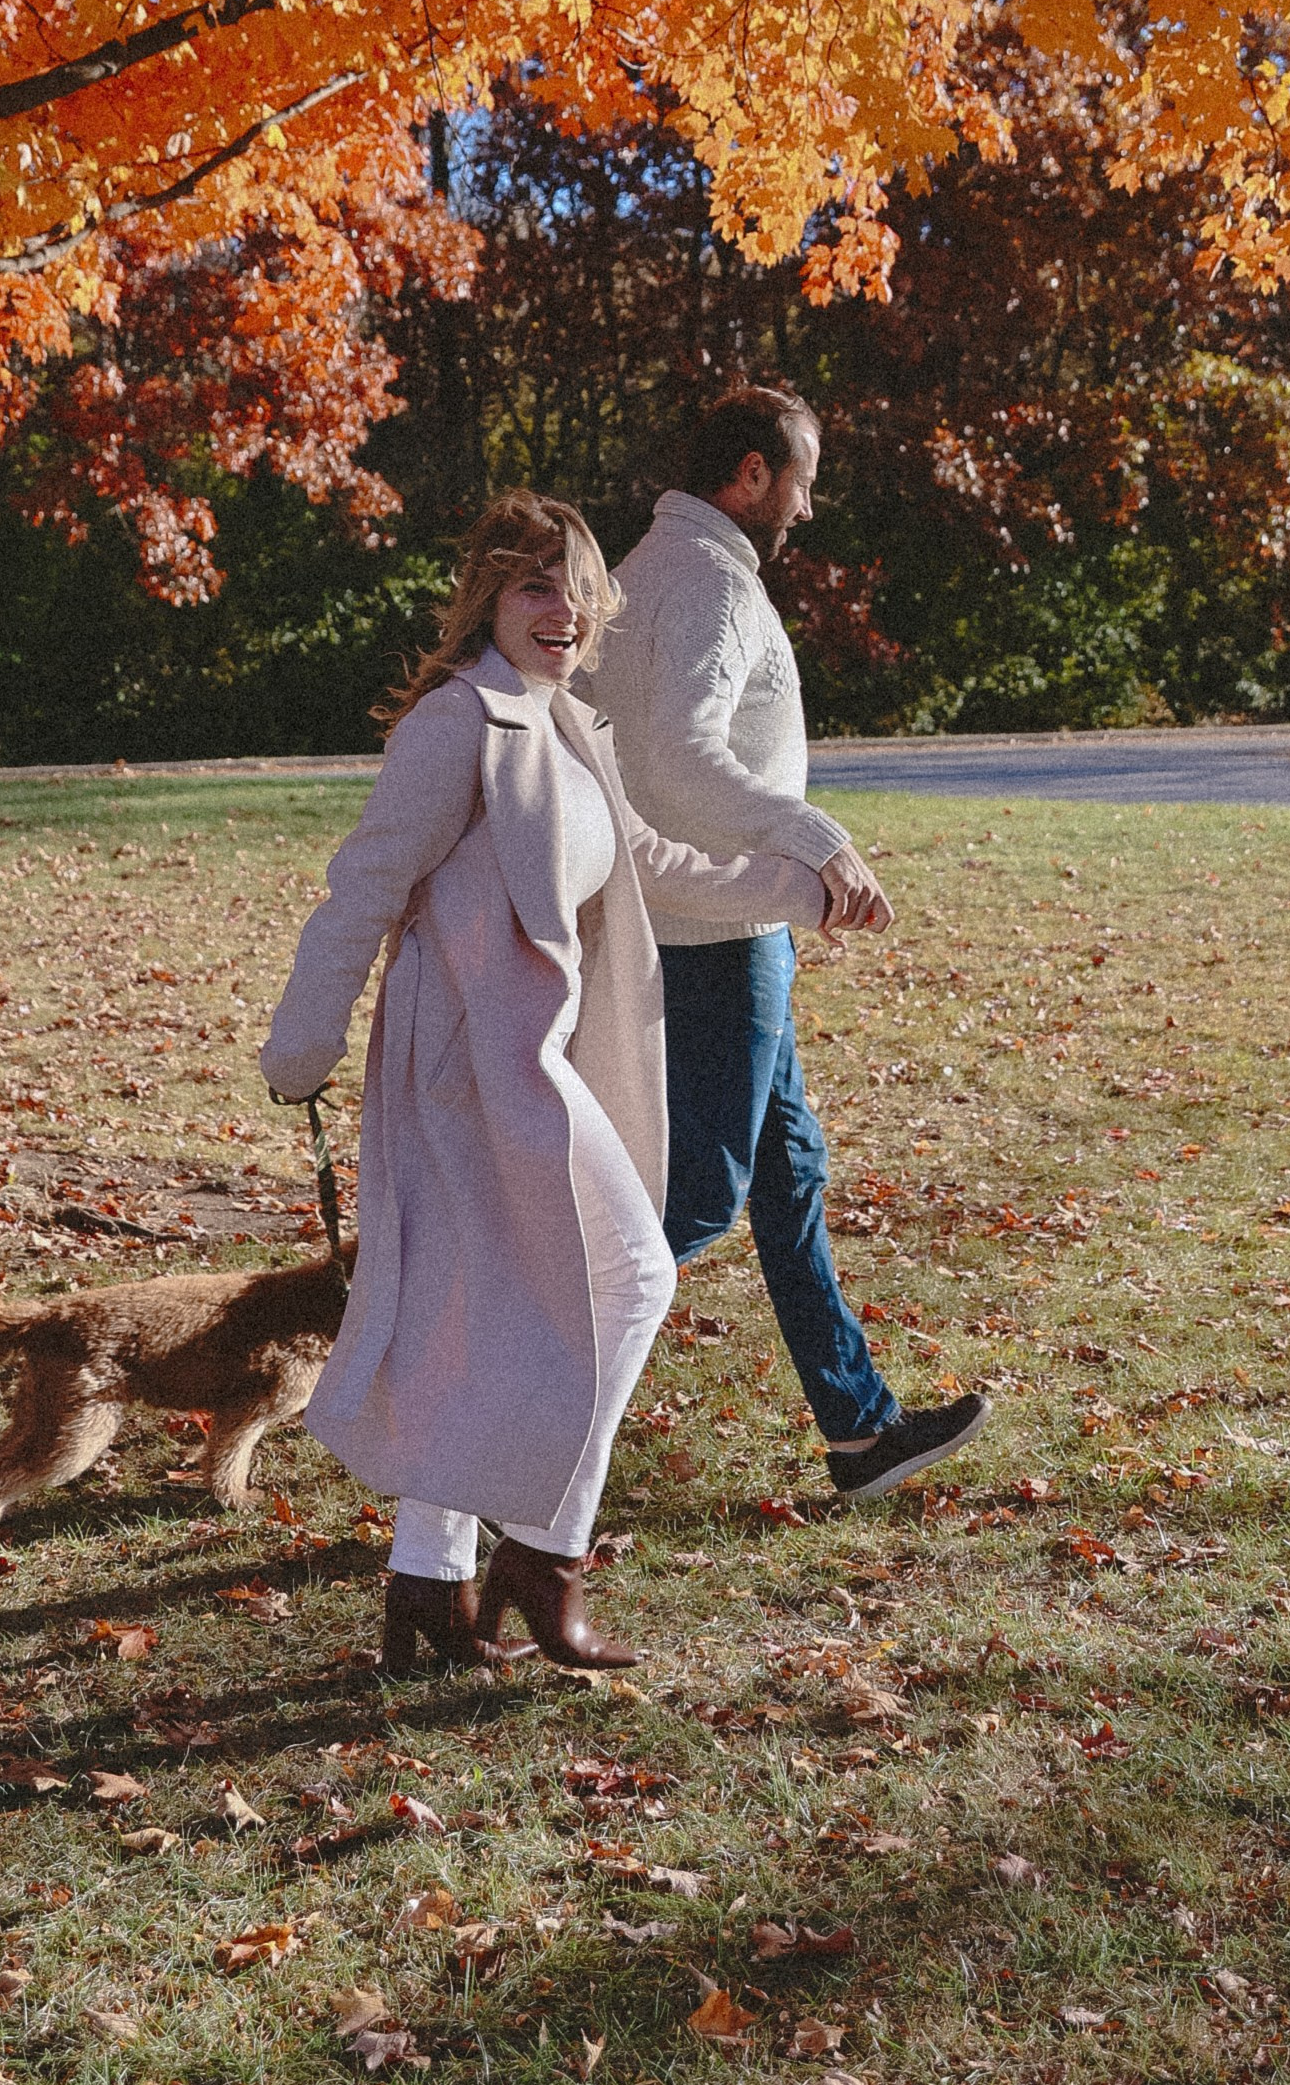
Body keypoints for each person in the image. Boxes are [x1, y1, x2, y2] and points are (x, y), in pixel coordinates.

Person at [260, 489, 853, 1672]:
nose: (564, 612)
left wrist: (803, 887)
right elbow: (364, 886)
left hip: (527, 1065)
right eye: (537, 587)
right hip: (459, 1072)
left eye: (580, 591)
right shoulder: (458, 724)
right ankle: (542, 1554)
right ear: (488, 594)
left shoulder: (568, 725)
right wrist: (302, 1043)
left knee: (495, 1313)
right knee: (630, 1275)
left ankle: (430, 1591)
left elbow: (651, 864)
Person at [591, 383, 989, 1502]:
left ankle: (858, 1431)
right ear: (752, 475)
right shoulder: (709, 584)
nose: (806, 511)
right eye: (801, 483)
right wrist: (812, 837)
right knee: (697, 1203)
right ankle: (511, 1414)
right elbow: (674, 763)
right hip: (715, 933)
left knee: (787, 1175)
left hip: (717, 924)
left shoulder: (643, 569)